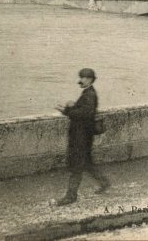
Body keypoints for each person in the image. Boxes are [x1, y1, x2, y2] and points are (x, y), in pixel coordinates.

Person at [55, 68, 110, 205]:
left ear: (90, 79)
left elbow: (85, 114)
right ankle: (104, 182)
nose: (81, 80)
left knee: (76, 167)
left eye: (83, 78)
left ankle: (71, 196)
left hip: (81, 137)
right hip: (84, 136)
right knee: (86, 164)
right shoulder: (88, 93)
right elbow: (84, 111)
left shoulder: (89, 94)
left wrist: (67, 110)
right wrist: (71, 107)